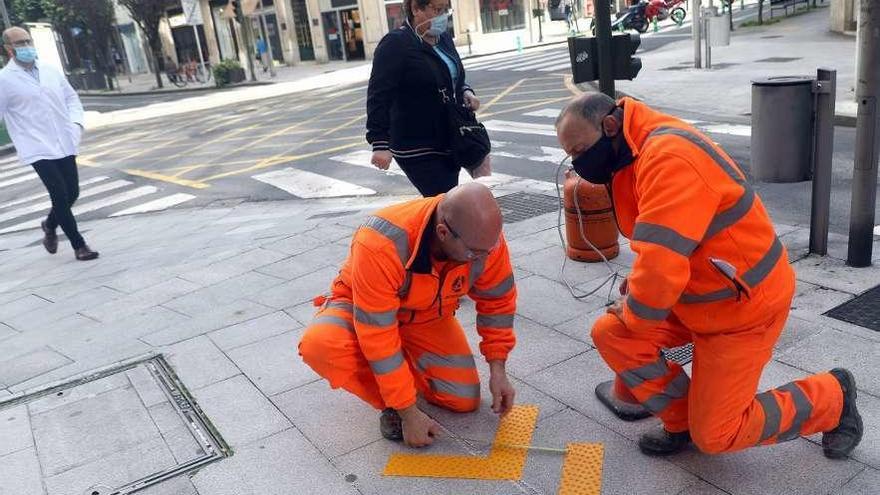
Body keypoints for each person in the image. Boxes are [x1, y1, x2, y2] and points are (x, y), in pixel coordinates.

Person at [554, 93, 862, 458]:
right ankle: (682, 420)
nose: (578, 163)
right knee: (612, 333)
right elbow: (666, 237)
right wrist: (639, 290)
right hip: (701, 298)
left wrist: (638, 306)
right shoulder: (634, 150)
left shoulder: (667, 157)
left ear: (609, 126)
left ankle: (832, 397)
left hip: (743, 310)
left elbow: (661, 261)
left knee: (716, 435)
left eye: (579, 150)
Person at [299, 182, 517, 448]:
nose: (481, 258)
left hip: (426, 316)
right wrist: (407, 410)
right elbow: (378, 333)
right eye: (473, 253)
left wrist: (498, 368)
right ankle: (392, 400)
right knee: (321, 345)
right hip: (363, 311)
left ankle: (402, 373)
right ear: (443, 232)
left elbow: (497, 303)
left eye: (487, 251)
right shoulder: (380, 243)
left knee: (463, 400)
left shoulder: (483, 241)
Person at [366, 0, 489, 198]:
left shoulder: (443, 39)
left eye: (445, 9)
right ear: (416, 8)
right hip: (418, 145)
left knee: (447, 205)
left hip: (450, 135)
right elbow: (378, 95)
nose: (443, 16)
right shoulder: (396, 44)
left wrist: (466, 91)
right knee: (443, 203)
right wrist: (379, 142)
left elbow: (455, 77)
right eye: (437, 9)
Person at [0, 27, 99, 261]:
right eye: (19, 43)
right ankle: (79, 245)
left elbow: (71, 98)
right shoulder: (4, 79)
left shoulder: (50, 70)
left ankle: (49, 224)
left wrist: (76, 124)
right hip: (35, 146)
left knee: (72, 192)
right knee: (59, 193)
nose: (26, 46)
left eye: (28, 41)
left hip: (64, 139)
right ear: (8, 49)